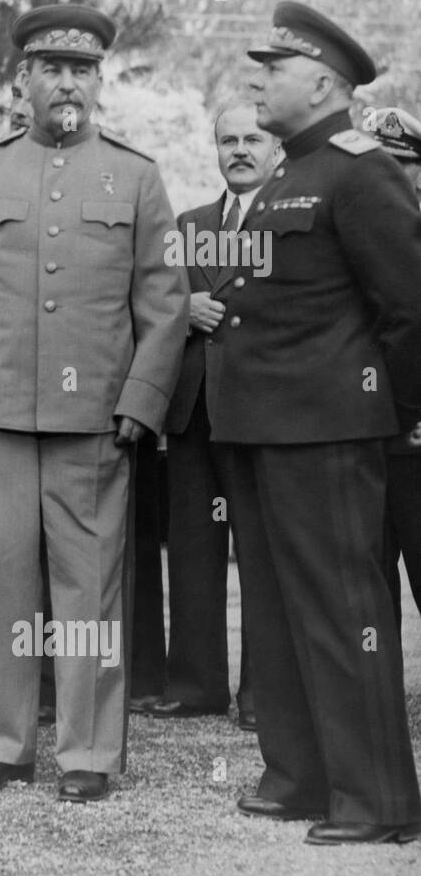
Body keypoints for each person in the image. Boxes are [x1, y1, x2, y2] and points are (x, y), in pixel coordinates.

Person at [0, 3, 187, 803]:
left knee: (90, 594)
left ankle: (86, 754)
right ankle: (0, 744)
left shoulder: (137, 176)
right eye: (52, 69)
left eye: (81, 70)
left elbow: (165, 303)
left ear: (98, 80)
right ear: (24, 80)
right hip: (2, 420)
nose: (67, 83)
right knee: (0, 589)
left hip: (95, 426)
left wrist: (141, 402)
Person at [215, 2, 421, 844]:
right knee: (273, 613)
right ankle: (299, 775)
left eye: (277, 68)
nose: (260, 78)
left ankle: (377, 801)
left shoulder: (359, 170)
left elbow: (409, 307)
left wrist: (389, 413)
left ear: (326, 83)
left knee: (344, 615)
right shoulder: (287, 172)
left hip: (329, 433)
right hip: (261, 431)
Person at [151, 103, 277, 730]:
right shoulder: (190, 222)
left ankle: (262, 693)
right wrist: (186, 305)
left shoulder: (293, 220)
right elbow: (157, 302)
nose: (240, 149)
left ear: (276, 147)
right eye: (228, 139)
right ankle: (196, 684)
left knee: (262, 555)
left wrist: (221, 312)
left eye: (253, 138)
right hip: (195, 411)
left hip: (261, 414)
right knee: (194, 552)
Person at [362, 105, 421, 629]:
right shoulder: (339, 241)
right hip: (360, 440)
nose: (387, 177)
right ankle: (374, 709)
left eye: (399, 164)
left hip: (417, 439)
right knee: (365, 591)